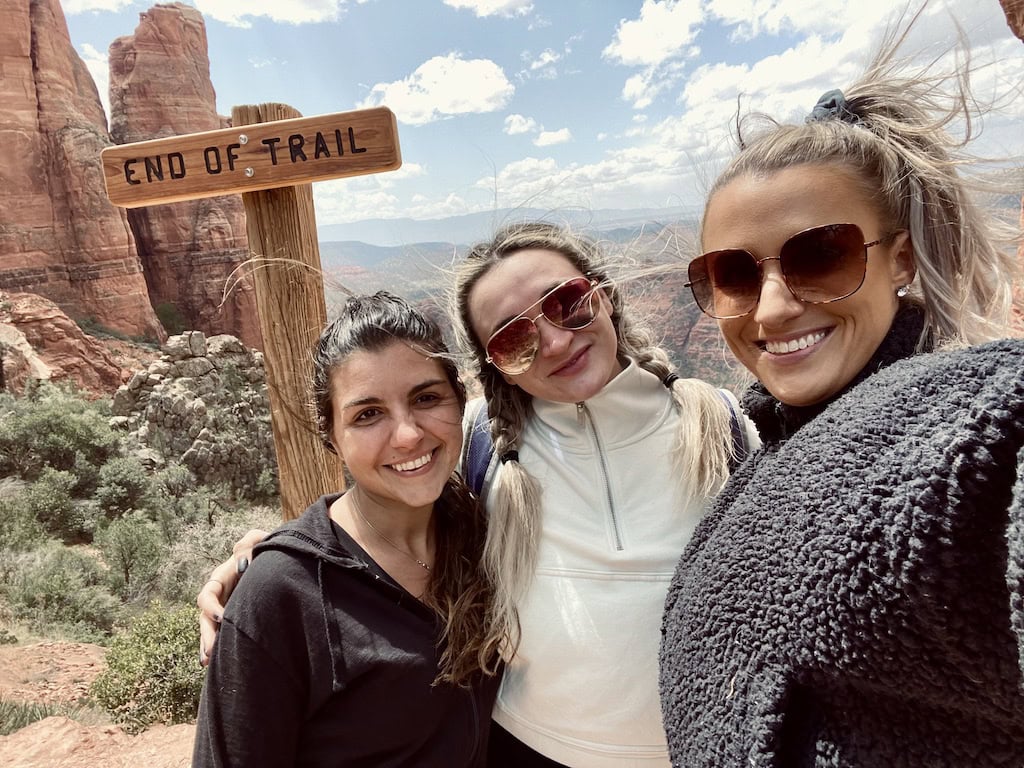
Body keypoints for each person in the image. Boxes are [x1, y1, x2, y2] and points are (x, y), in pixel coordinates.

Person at [198, 222, 759, 767]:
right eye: (515, 337)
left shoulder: (726, 425)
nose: (556, 341)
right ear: (497, 369)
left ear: (606, 295)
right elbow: (374, 502)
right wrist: (271, 564)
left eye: (567, 302)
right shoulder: (486, 448)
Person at [658, 14, 1024, 767]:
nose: (770, 308)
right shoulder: (784, 437)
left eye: (819, 255)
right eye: (731, 274)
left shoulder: (953, 438)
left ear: (900, 260)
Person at [192, 292, 506, 768]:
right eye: (367, 414)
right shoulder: (282, 596)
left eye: (425, 398)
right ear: (332, 437)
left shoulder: (485, 535)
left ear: (459, 402)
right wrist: (262, 566)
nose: (407, 434)